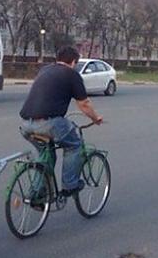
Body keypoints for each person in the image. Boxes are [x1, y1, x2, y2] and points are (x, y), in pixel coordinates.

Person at [19, 46, 103, 196]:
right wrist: (95, 118)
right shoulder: (72, 74)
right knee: (74, 145)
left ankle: (38, 192)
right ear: (73, 62)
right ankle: (70, 185)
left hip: (26, 125)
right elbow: (83, 104)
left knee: (46, 154)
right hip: (49, 124)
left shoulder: (45, 70)